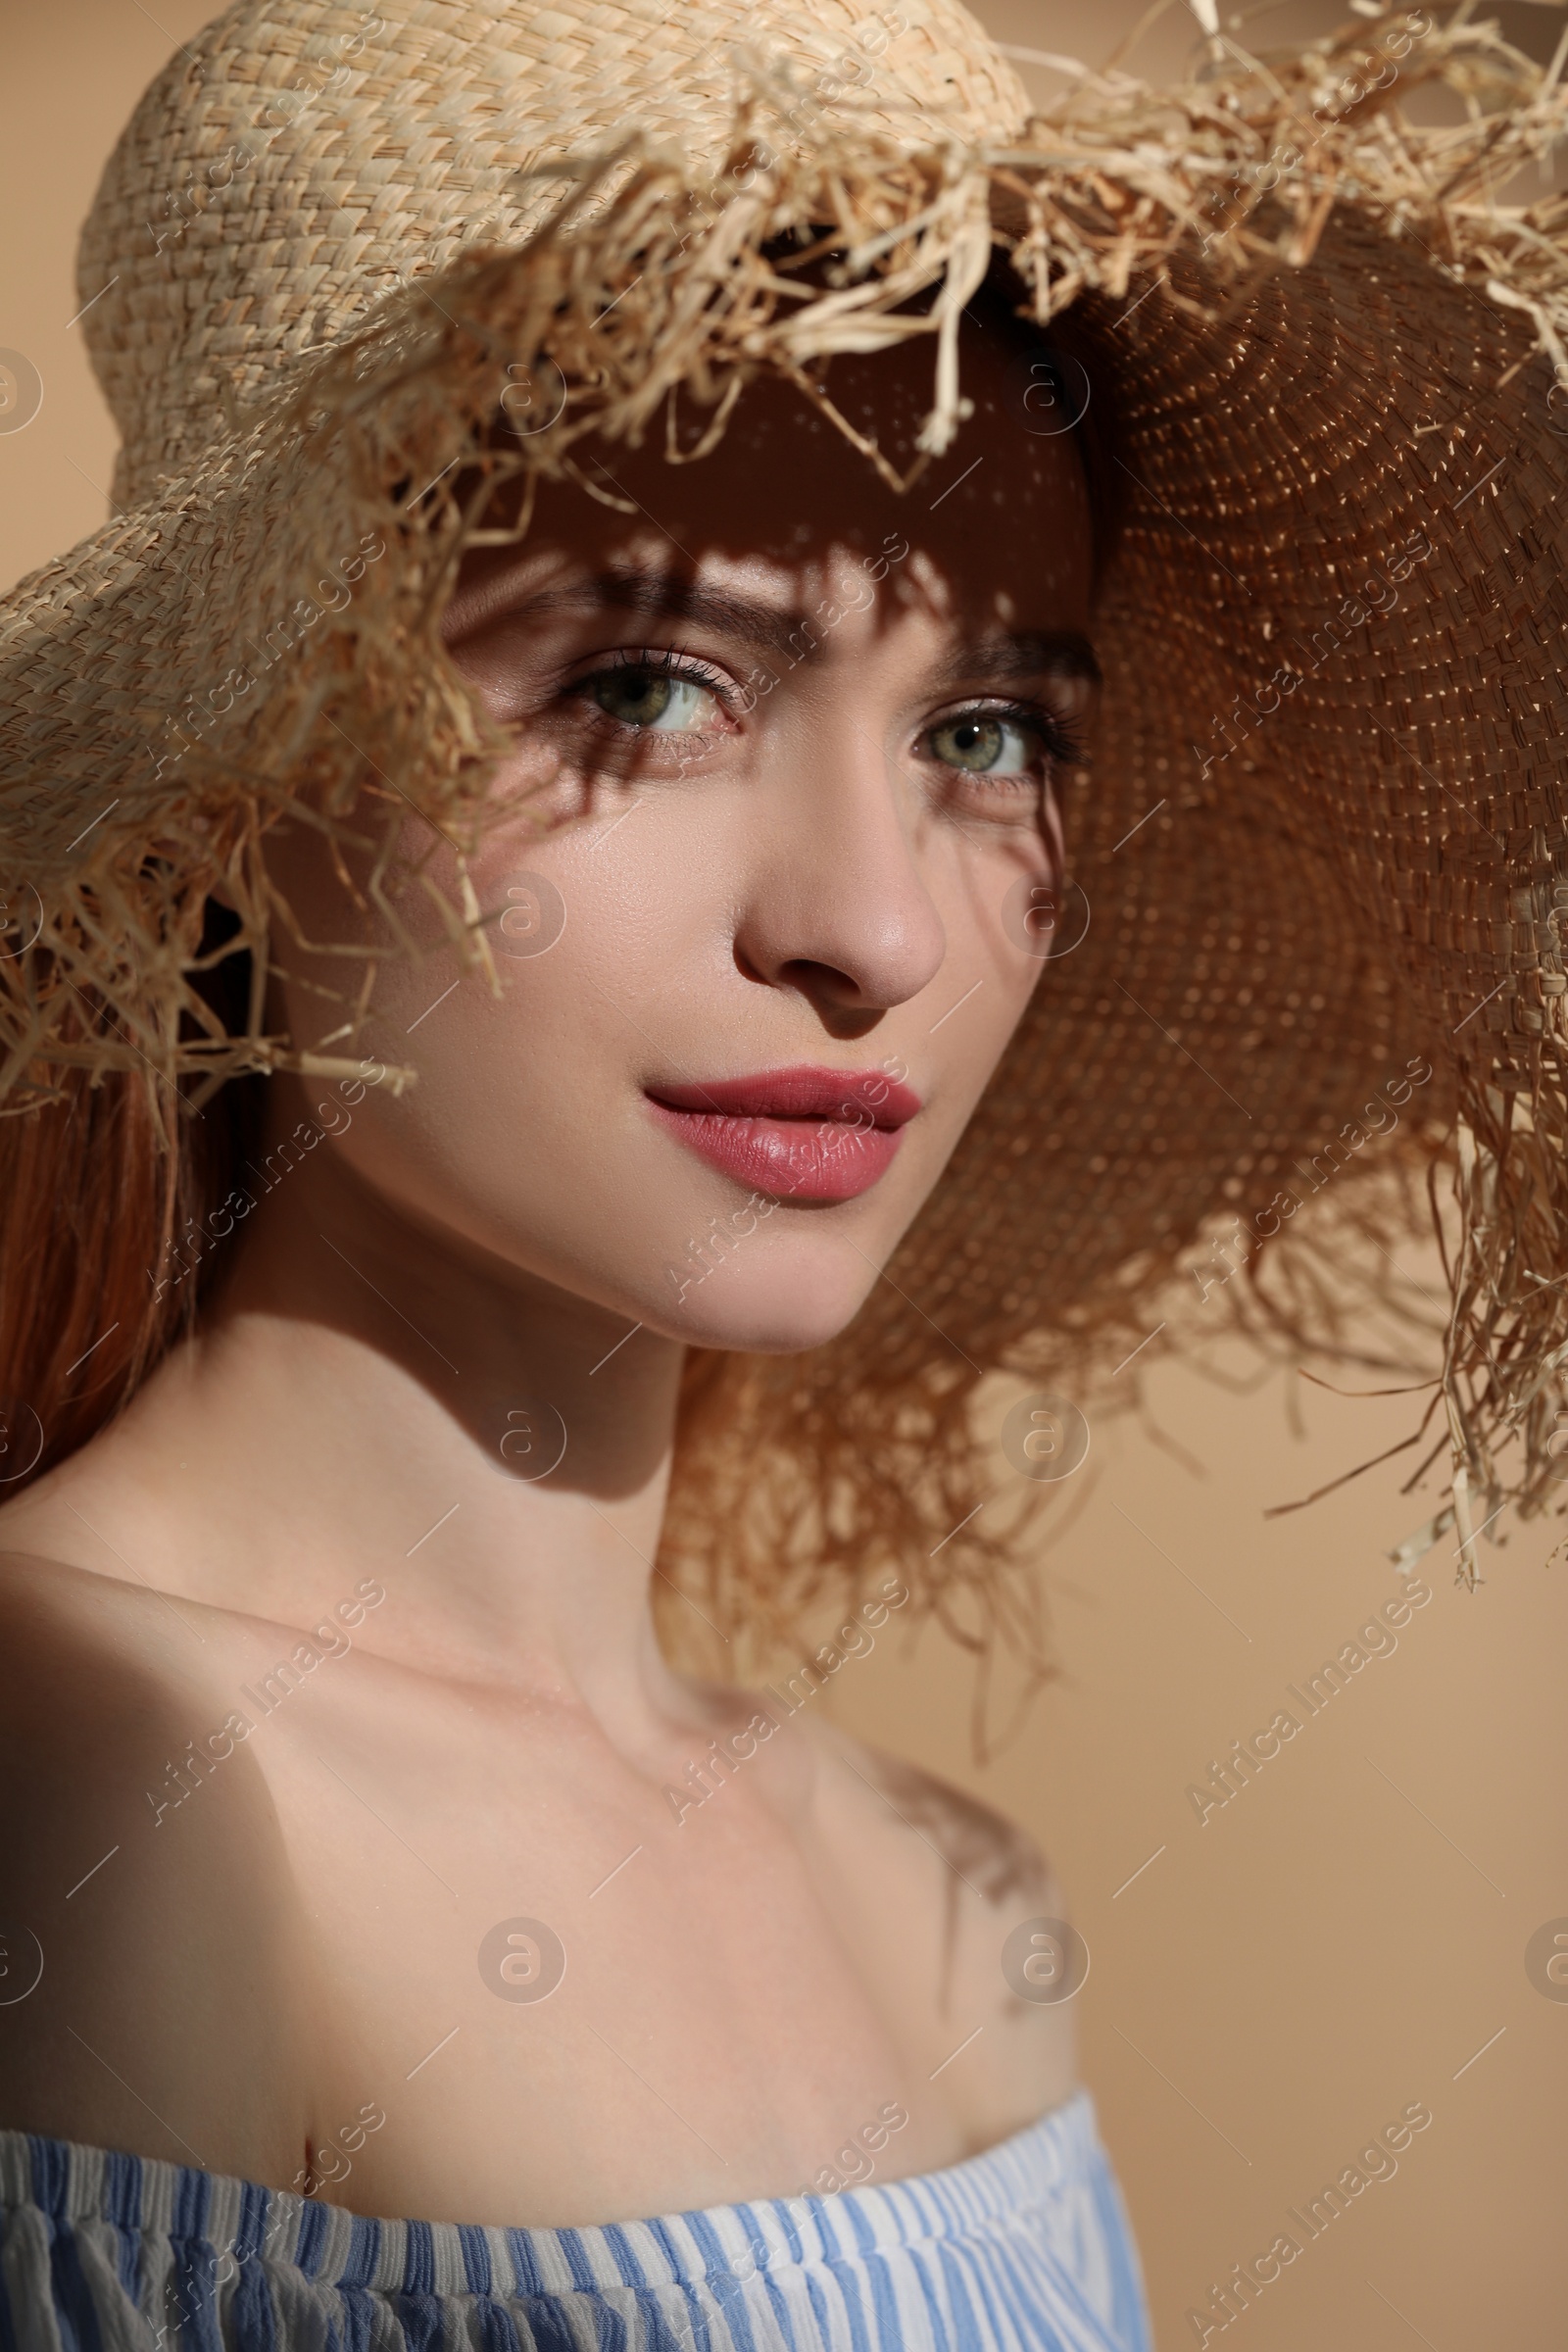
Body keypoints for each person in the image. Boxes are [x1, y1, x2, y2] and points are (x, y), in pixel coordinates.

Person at [0, 0, 1564, 2344]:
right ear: (225, 762)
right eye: (646, 688)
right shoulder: (94, 1785)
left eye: (986, 731)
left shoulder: (947, 1897)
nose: (874, 924)